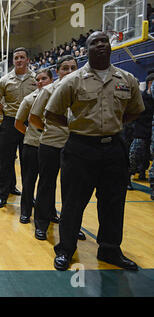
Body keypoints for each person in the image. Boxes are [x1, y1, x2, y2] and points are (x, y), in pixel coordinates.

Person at [45, 31, 144, 271]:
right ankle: (66, 250)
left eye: (104, 42)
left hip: (114, 148)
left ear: (110, 47)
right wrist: (77, 127)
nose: (100, 45)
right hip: (80, 148)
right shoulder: (73, 80)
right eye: (94, 43)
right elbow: (51, 112)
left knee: (113, 202)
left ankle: (110, 249)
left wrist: (114, 125)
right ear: (85, 50)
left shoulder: (126, 78)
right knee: (73, 202)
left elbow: (135, 110)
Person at [28, 56, 79, 236]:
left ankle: (71, 226)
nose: (70, 72)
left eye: (73, 68)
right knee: (46, 185)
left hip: (75, 146)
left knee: (72, 190)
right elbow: (33, 117)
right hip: (50, 144)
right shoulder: (48, 90)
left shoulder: (83, 91)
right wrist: (48, 129)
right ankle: (41, 224)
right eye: (65, 68)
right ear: (57, 71)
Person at [0, 47, 38, 208]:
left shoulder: (36, 78)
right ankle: (2, 195)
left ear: (28, 60)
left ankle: (29, 196)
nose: (19, 60)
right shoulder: (5, 80)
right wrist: (5, 111)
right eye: (16, 58)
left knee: (28, 162)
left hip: (29, 124)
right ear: (13, 61)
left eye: (22, 57)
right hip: (9, 123)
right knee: (6, 160)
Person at [14, 68, 53, 226]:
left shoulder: (61, 96)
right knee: (29, 181)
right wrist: (31, 133)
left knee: (48, 183)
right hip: (32, 145)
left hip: (52, 146)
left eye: (44, 78)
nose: (40, 82)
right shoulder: (29, 99)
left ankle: (49, 212)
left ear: (51, 79)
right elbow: (18, 123)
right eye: (38, 79)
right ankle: (25, 211)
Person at [128, 73, 153, 181]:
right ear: (149, 84)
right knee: (135, 156)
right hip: (140, 132)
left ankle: (142, 172)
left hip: (151, 134)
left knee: (146, 157)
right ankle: (127, 177)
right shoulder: (141, 98)